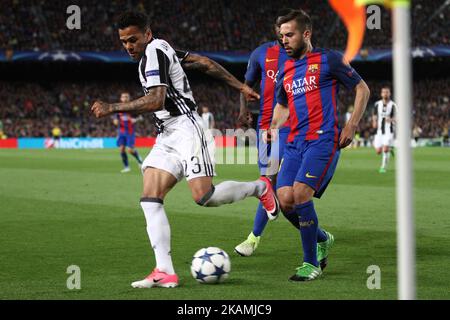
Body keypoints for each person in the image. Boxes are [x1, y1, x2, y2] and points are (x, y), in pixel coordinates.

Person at [91, 11, 278, 289]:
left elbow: (156, 100)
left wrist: (112, 107)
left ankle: (259, 188)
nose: (128, 46)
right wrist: (240, 85)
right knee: (150, 198)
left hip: (187, 128)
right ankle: (164, 271)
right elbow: (202, 63)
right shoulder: (162, 48)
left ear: (147, 34)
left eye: (133, 39)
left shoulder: (154, 50)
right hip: (166, 134)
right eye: (123, 41)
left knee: (204, 196)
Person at [268, 9, 370, 281]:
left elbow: (362, 88)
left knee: (301, 194)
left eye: (289, 34)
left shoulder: (329, 60)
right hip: (295, 143)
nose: (284, 40)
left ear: (306, 34)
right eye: (281, 36)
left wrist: (351, 124)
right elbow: (282, 105)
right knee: (285, 202)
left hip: (323, 140)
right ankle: (323, 238)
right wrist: (272, 127)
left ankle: (310, 263)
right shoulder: (285, 70)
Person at [235, 8, 298, 257]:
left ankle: (254, 237)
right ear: (276, 30)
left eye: (289, 30)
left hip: (294, 128)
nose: (284, 35)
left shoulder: (305, 56)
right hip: (265, 128)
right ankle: (255, 238)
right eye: (281, 30)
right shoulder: (261, 54)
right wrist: (243, 110)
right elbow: (245, 86)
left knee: (281, 186)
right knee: (267, 184)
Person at [113, 91, 144, 173]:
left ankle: (139, 159)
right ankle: (126, 167)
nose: (125, 98)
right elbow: (115, 120)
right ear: (121, 98)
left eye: (126, 97)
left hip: (130, 132)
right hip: (121, 132)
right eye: (123, 97)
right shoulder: (118, 108)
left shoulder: (133, 108)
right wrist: (116, 121)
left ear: (129, 98)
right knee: (121, 149)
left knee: (130, 150)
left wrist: (136, 120)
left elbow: (141, 118)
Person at [372, 87, 397, 173]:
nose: (385, 94)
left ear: (390, 94)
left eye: (387, 92)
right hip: (379, 130)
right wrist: (374, 121)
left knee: (385, 149)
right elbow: (374, 115)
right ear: (381, 94)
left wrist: (391, 119)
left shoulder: (393, 105)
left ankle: (383, 167)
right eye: (384, 92)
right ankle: (390, 149)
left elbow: (397, 117)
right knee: (378, 151)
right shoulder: (377, 104)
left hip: (389, 130)